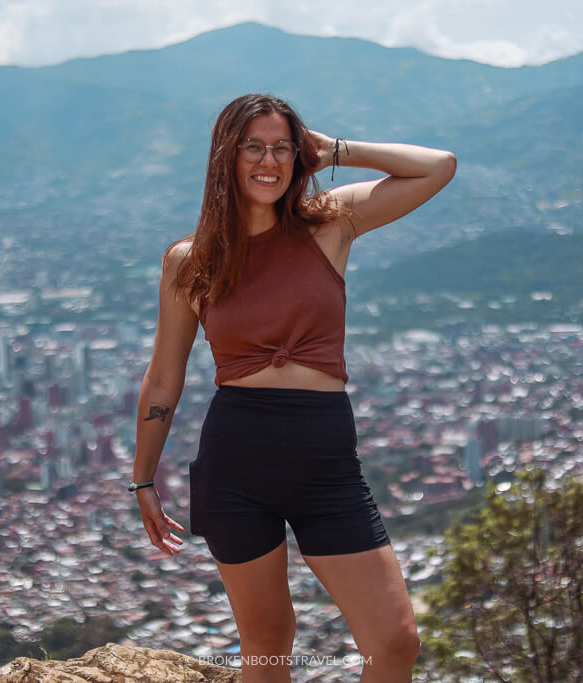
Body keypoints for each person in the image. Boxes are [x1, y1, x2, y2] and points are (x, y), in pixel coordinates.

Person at [131, 93, 456, 683]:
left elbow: (439, 166)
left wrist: (335, 151)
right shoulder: (190, 260)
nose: (268, 160)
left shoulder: (331, 220)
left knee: (395, 641)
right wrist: (144, 478)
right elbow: (164, 375)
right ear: (225, 157)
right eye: (253, 146)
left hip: (325, 465)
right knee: (267, 643)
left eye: (282, 147)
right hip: (236, 463)